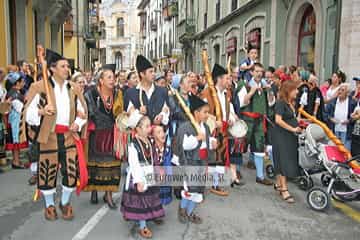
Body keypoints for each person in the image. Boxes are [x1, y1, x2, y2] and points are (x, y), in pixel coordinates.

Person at [23, 49, 87, 221]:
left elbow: (83, 111)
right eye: (63, 66)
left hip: (68, 136)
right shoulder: (38, 87)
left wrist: (77, 123)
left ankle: (65, 203)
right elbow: (28, 114)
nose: (67, 69)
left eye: (67, 66)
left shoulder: (74, 89)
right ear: (52, 69)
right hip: (48, 137)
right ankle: (49, 205)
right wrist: (42, 111)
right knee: (47, 173)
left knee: (71, 172)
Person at [83, 64, 123, 209]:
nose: (112, 80)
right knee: (94, 164)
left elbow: (120, 114)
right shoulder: (90, 94)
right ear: (101, 80)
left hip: (112, 134)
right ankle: (93, 190)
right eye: (109, 77)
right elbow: (86, 113)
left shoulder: (118, 94)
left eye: (113, 77)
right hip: (96, 134)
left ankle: (108, 194)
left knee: (112, 166)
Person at [120, 111, 165, 239]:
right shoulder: (133, 145)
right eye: (146, 126)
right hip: (139, 175)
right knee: (140, 202)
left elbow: (154, 158)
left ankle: (151, 215)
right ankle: (142, 225)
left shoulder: (150, 141)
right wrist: (139, 181)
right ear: (138, 129)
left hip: (150, 174)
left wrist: (159, 169)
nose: (149, 128)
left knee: (151, 197)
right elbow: (134, 164)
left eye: (150, 125)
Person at [175, 94, 217, 224]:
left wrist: (212, 143)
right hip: (191, 162)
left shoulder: (206, 127)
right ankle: (182, 209)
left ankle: (190, 211)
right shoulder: (185, 127)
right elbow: (183, 145)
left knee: (198, 189)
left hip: (202, 162)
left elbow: (207, 141)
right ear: (196, 112)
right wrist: (197, 138)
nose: (207, 115)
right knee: (190, 189)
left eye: (207, 112)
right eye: (204, 112)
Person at [200, 63, 238, 196]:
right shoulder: (207, 93)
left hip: (223, 130)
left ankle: (217, 183)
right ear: (219, 79)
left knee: (221, 157)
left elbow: (228, 109)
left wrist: (231, 117)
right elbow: (201, 112)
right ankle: (209, 183)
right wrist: (213, 122)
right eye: (227, 78)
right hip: (212, 130)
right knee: (212, 158)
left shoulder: (226, 94)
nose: (229, 81)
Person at [237, 63, 274, 185]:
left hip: (259, 121)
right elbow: (242, 102)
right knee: (241, 145)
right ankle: (236, 171)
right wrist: (252, 91)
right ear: (251, 72)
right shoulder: (245, 85)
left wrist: (269, 92)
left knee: (259, 147)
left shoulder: (264, 86)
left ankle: (260, 176)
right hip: (247, 120)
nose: (259, 73)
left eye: (261, 71)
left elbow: (270, 103)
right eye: (257, 71)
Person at [273, 80, 302, 203]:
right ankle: (284, 189)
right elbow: (278, 120)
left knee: (285, 159)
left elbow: (292, 118)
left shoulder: (292, 103)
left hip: (290, 136)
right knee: (283, 160)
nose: (297, 91)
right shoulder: (281, 103)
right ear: (288, 90)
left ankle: (279, 184)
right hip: (282, 136)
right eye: (295, 89)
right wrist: (293, 129)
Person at [124, 55, 169, 126]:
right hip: (140, 135)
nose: (154, 74)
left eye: (154, 71)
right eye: (151, 72)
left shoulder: (163, 91)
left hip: (159, 134)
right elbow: (130, 117)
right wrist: (139, 113)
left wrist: (161, 116)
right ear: (142, 74)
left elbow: (166, 109)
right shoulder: (130, 93)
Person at [4, 72, 28, 169]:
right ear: (17, 83)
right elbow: (20, 108)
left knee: (16, 141)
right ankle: (16, 161)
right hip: (15, 121)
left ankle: (16, 160)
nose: (23, 83)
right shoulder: (14, 94)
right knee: (16, 141)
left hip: (15, 120)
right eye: (22, 81)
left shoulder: (15, 92)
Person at [326, 83, 356, 150]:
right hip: (334, 130)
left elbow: (356, 116)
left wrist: (349, 120)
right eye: (339, 90)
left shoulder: (352, 103)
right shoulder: (333, 101)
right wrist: (331, 118)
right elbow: (325, 113)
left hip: (346, 132)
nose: (339, 92)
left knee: (346, 152)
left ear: (347, 93)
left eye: (342, 90)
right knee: (334, 152)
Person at [152, 125, 172, 205]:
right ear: (153, 135)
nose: (162, 134)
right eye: (159, 132)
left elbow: (168, 163)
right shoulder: (151, 148)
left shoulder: (167, 148)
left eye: (163, 131)